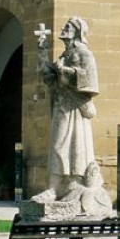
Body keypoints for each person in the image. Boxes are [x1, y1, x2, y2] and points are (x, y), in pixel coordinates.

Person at [38, 16, 99, 198]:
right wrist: (44, 59)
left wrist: (63, 70)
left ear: (77, 31)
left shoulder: (84, 54)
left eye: (68, 26)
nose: (64, 29)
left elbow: (90, 80)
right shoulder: (64, 55)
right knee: (57, 145)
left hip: (75, 108)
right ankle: (54, 188)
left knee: (74, 146)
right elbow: (53, 82)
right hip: (62, 105)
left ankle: (73, 184)